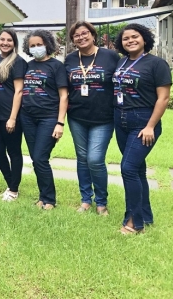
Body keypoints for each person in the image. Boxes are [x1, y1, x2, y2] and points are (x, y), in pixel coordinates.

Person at [113, 23, 171, 234]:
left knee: (128, 169)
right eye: (126, 38)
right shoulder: (121, 62)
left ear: (144, 39)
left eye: (135, 37)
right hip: (120, 119)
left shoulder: (156, 64)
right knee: (137, 169)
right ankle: (145, 216)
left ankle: (134, 222)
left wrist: (150, 126)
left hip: (143, 121)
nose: (130, 41)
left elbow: (163, 98)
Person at [65, 21, 119, 215]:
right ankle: (86, 199)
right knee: (82, 158)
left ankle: (102, 201)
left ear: (93, 35)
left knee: (95, 159)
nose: (81, 37)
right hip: (77, 116)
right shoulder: (70, 59)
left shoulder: (110, 56)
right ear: (73, 40)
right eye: (76, 35)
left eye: (84, 33)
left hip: (103, 117)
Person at [20, 29, 68, 210]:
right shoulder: (28, 65)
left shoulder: (56, 66)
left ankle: (50, 199)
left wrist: (60, 122)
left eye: (39, 44)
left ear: (47, 45)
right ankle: (43, 196)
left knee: (40, 157)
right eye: (32, 46)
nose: (36, 48)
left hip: (48, 118)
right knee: (35, 158)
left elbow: (64, 96)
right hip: (27, 117)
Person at [0, 28, 27, 201]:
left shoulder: (18, 62)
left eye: (9, 40)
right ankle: (11, 183)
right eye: (2, 39)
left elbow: (19, 91)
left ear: (14, 43)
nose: (5, 43)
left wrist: (12, 118)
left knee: (14, 152)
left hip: (8, 116)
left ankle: (14, 189)